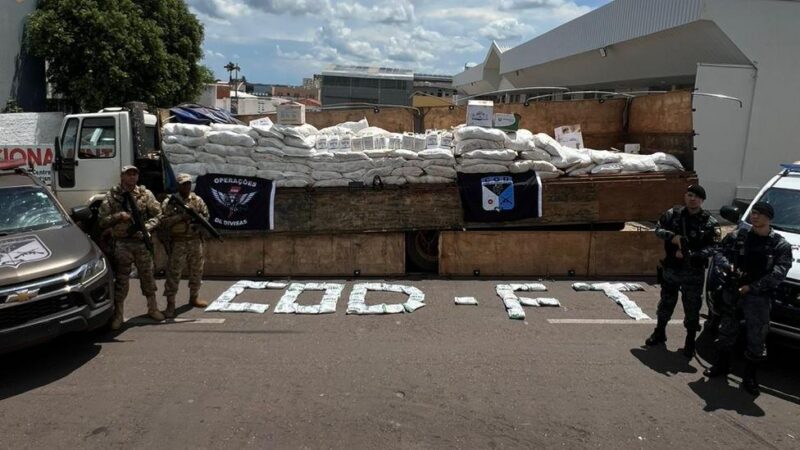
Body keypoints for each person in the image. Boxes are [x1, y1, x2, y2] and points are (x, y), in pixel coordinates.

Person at [704, 202, 792, 395]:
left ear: (769, 218)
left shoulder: (779, 244)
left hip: (758, 298)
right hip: (734, 292)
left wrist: (752, 287)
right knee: (726, 331)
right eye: (753, 213)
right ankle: (721, 366)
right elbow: (719, 252)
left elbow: (779, 273)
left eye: (760, 214)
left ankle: (750, 377)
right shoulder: (739, 236)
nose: (755, 216)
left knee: (756, 338)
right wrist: (728, 267)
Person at [646, 184, 720, 356]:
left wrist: (692, 255)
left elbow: (715, 247)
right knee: (666, 302)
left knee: (692, 308)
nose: (692, 198)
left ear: (702, 200)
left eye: (696, 196)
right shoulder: (673, 214)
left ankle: (689, 340)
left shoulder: (710, 222)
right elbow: (657, 229)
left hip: (693, 272)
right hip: (671, 268)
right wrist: (673, 238)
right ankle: (660, 331)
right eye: (689, 194)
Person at [98, 165, 164, 329]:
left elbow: (158, 214)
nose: (132, 177)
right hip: (122, 243)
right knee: (122, 279)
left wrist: (147, 227)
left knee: (147, 275)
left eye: (135, 174)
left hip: (141, 242)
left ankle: (153, 308)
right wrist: (119, 216)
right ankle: (118, 314)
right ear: (122, 177)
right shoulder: (112, 196)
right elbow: (102, 220)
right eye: (129, 174)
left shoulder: (145, 194)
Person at [160, 173, 210, 318]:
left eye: (188, 183)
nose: (186, 186)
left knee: (197, 270)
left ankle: (194, 297)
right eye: (183, 184)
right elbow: (163, 222)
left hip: (195, 241)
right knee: (174, 273)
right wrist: (182, 217)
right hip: (178, 242)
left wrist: (197, 223)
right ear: (178, 185)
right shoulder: (170, 202)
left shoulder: (197, 200)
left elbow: (206, 217)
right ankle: (170, 304)